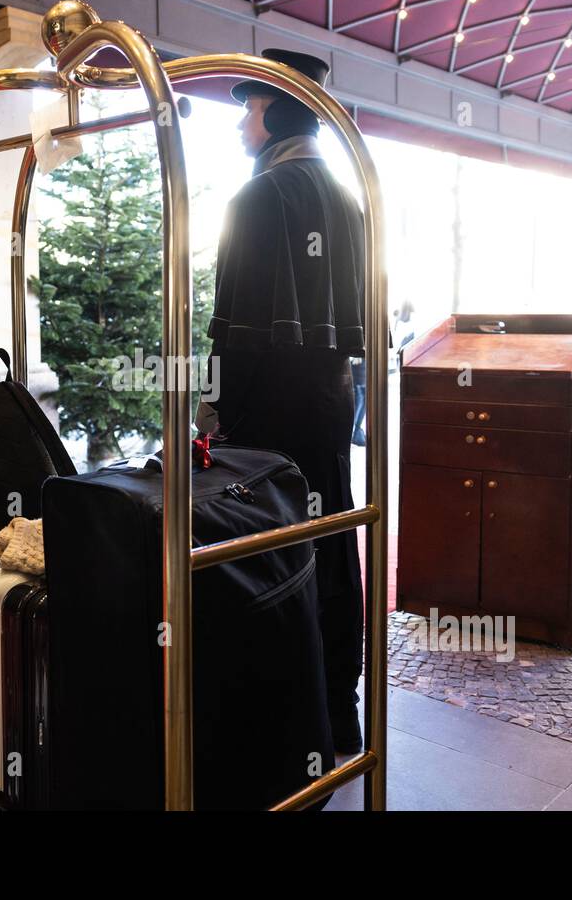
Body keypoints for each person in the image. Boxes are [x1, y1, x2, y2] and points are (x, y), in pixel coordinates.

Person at [197, 49, 366, 754]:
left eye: (249, 108)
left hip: (263, 418)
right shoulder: (348, 198)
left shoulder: (259, 197)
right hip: (327, 405)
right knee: (331, 543)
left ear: (275, 113)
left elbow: (230, 332)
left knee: (268, 553)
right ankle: (338, 711)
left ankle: (279, 721)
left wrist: (206, 416)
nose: (240, 125)